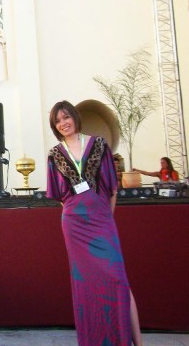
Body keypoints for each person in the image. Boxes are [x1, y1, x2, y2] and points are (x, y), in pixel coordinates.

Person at [46, 100, 142, 346]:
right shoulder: (54, 154)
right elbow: (61, 197)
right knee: (86, 286)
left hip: (101, 221)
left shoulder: (99, 144)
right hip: (74, 225)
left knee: (118, 280)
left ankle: (136, 343)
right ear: (55, 126)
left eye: (66, 117)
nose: (63, 123)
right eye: (57, 121)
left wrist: (106, 219)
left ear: (75, 117)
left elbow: (112, 190)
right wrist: (76, 213)